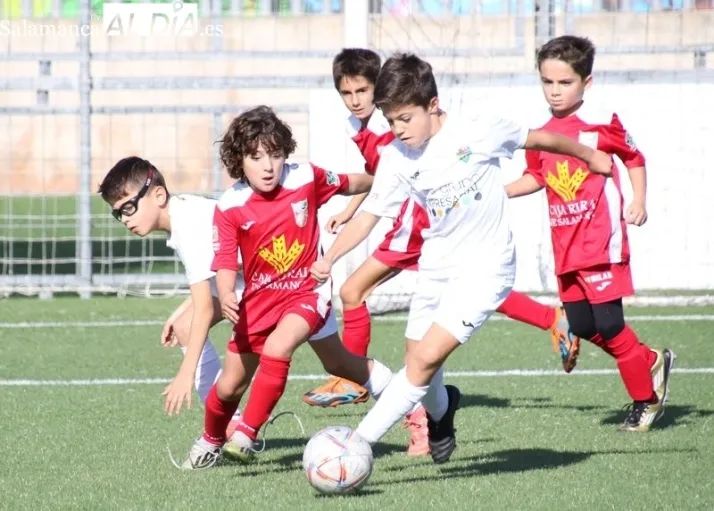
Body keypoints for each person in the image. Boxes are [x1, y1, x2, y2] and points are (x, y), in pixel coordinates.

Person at [311, 53, 614, 464]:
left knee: (423, 361)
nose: (398, 130)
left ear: (432, 105)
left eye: (404, 119)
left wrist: (590, 156)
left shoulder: (478, 130)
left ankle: (352, 447)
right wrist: (332, 257)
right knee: (416, 357)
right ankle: (442, 412)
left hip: (487, 269)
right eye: (391, 121)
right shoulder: (398, 158)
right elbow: (369, 215)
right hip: (437, 266)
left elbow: (542, 139)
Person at [175, 106, 395, 470]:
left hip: (308, 291)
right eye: (256, 157)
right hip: (260, 301)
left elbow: (347, 182)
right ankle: (210, 440)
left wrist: (386, 177)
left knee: (279, 347)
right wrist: (228, 293)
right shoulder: (230, 206)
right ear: (238, 160)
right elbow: (226, 260)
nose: (267, 166)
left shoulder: (305, 178)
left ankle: (246, 433)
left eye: (275, 155)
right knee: (232, 385)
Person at [506, 35, 675, 432]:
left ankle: (645, 400)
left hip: (601, 240)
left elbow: (634, 157)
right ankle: (649, 360)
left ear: (587, 82)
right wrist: (498, 194)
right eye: (548, 82)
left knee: (611, 324)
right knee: (582, 325)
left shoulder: (601, 123)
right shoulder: (540, 133)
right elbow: (535, 176)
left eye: (565, 83)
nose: (555, 90)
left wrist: (639, 200)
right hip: (565, 245)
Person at [98, 156, 243, 436]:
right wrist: (177, 314)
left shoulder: (187, 225)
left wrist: (185, 374)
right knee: (184, 326)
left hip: (279, 281)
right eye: (118, 213)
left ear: (159, 195)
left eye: (128, 207)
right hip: (248, 280)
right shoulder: (183, 213)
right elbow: (211, 277)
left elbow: (203, 307)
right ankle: (229, 428)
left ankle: (233, 428)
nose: (125, 219)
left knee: (336, 362)